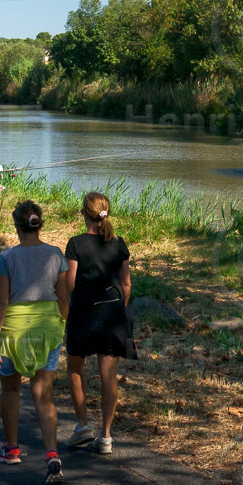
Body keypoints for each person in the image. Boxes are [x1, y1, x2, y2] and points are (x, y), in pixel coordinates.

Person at [0, 200, 71, 484]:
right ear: (40, 224)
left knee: (11, 389)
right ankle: (51, 454)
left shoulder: (6, 258)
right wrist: (62, 326)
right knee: (43, 393)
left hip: (13, 331)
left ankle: (11, 448)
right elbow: (63, 297)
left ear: (17, 226)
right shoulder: (56, 256)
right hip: (47, 330)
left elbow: (0, 301)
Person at [63, 191, 137, 455]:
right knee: (108, 375)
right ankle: (105, 436)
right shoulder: (119, 243)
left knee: (75, 366)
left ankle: (83, 425)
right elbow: (126, 283)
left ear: (84, 213)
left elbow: (70, 283)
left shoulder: (75, 243)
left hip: (84, 314)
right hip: (113, 315)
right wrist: (120, 308)